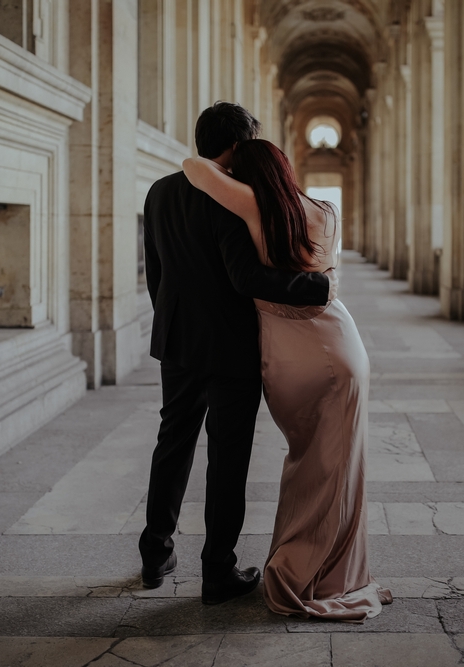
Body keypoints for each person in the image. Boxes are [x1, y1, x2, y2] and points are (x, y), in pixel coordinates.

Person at [183, 139, 392, 621]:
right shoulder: (325, 210)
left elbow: (192, 166)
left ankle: (304, 570)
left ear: (249, 175)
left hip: (287, 358)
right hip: (339, 344)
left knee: (307, 465)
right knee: (339, 471)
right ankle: (325, 573)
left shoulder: (254, 207)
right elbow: (327, 274)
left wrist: (227, 162)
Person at [140, 102, 337, 606]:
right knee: (227, 459)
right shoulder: (234, 197)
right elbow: (244, 278)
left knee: (172, 444)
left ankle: (155, 551)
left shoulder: (160, 191)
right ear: (238, 143)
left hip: (178, 341)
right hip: (230, 348)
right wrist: (317, 286)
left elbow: (156, 274)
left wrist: (172, 322)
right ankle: (217, 572)